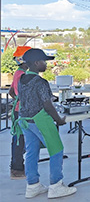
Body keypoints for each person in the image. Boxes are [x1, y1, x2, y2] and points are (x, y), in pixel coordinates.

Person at [11, 48, 77, 199]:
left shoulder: (21, 79)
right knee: (56, 149)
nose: (46, 64)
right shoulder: (41, 81)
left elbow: (26, 97)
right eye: (44, 61)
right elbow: (47, 105)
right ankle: (56, 186)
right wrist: (58, 120)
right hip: (40, 119)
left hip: (24, 120)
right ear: (36, 63)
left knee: (31, 152)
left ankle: (32, 185)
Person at [8, 46, 31, 180]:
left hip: (18, 110)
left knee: (19, 139)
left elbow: (12, 92)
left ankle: (17, 166)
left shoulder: (18, 73)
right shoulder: (23, 76)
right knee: (19, 141)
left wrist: (17, 102)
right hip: (22, 112)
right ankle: (17, 169)